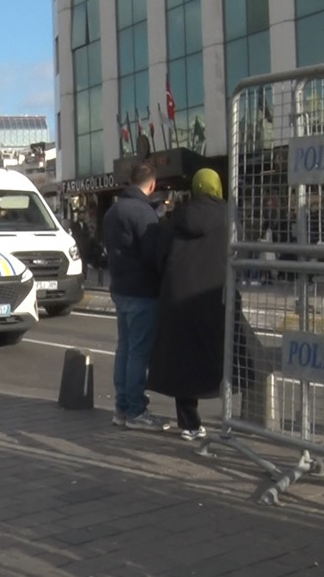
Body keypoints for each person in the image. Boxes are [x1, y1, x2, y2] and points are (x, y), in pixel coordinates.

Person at [148, 169, 229, 441]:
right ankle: (230, 420)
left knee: (184, 360)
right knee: (226, 353)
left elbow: (160, 254)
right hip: (215, 294)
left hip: (179, 295)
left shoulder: (178, 217)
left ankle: (190, 424)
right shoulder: (230, 216)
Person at [101, 163, 169, 431]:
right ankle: (136, 411)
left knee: (125, 349)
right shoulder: (144, 213)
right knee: (139, 352)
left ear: (130, 181)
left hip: (120, 288)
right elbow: (154, 255)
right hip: (143, 290)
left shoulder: (112, 211)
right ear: (152, 185)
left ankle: (122, 407)